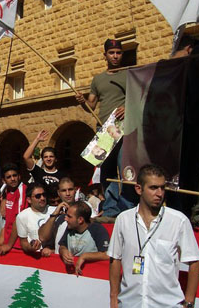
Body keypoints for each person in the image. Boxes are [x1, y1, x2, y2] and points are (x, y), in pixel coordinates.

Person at [108, 164, 199, 308]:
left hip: (167, 304)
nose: (159, 193)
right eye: (153, 188)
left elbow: (195, 261)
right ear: (139, 189)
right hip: (130, 303)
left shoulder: (178, 220)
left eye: (162, 188)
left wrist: (189, 303)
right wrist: (114, 297)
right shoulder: (123, 219)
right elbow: (115, 258)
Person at [75, 38, 134, 218]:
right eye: (112, 53)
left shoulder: (129, 75)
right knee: (106, 172)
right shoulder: (98, 79)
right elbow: (91, 105)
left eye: (118, 53)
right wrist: (82, 101)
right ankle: (110, 209)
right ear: (105, 55)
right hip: (105, 130)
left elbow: (140, 97)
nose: (115, 56)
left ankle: (128, 209)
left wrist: (129, 106)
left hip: (124, 128)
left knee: (126, 169)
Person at [58, 201, 110, 275]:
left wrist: (85, 256)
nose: (65, 219)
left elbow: (107, 254)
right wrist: (63, 251)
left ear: (80, 220)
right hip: (72, 275)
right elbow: (62, 245)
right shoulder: (70, 228)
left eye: (69, 216)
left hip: (92, 275)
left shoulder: (97, 230)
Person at [0, 163, 29, 255]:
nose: (13, 179)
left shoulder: (22, 191)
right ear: (4, 180)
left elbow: (19, 220)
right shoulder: (6, 190)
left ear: (19, 176)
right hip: (7, 242)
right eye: (9, 177)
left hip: (17, 244)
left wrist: (9, 245)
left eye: (15, 175)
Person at [16, 183, 56, 256]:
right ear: (29, 200)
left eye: (44, 195)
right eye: (38, 196)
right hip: (35, 259)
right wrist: (31, 248)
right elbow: (23, 242)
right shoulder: (22, 216)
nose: (42, 198)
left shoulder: (55, 211)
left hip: (54, 257)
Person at [39, 177, 76, 253]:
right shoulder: (51, 211)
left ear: (75, 190)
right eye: (64, 191)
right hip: (60, 258)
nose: (68, 193)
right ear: (59, 193)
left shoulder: (85, 206)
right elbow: (43, 237)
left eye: (70, 189)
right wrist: (55, 215)